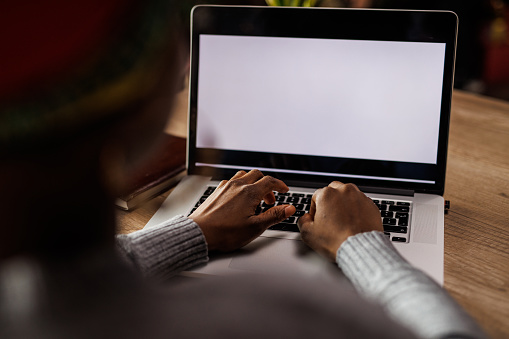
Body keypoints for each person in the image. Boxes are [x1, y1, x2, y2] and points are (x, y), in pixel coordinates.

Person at [0, 1, 485, 338]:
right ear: (145, 98)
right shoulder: (279, 317)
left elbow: (67, 288)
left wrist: (193, 232)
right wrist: (361, 245)